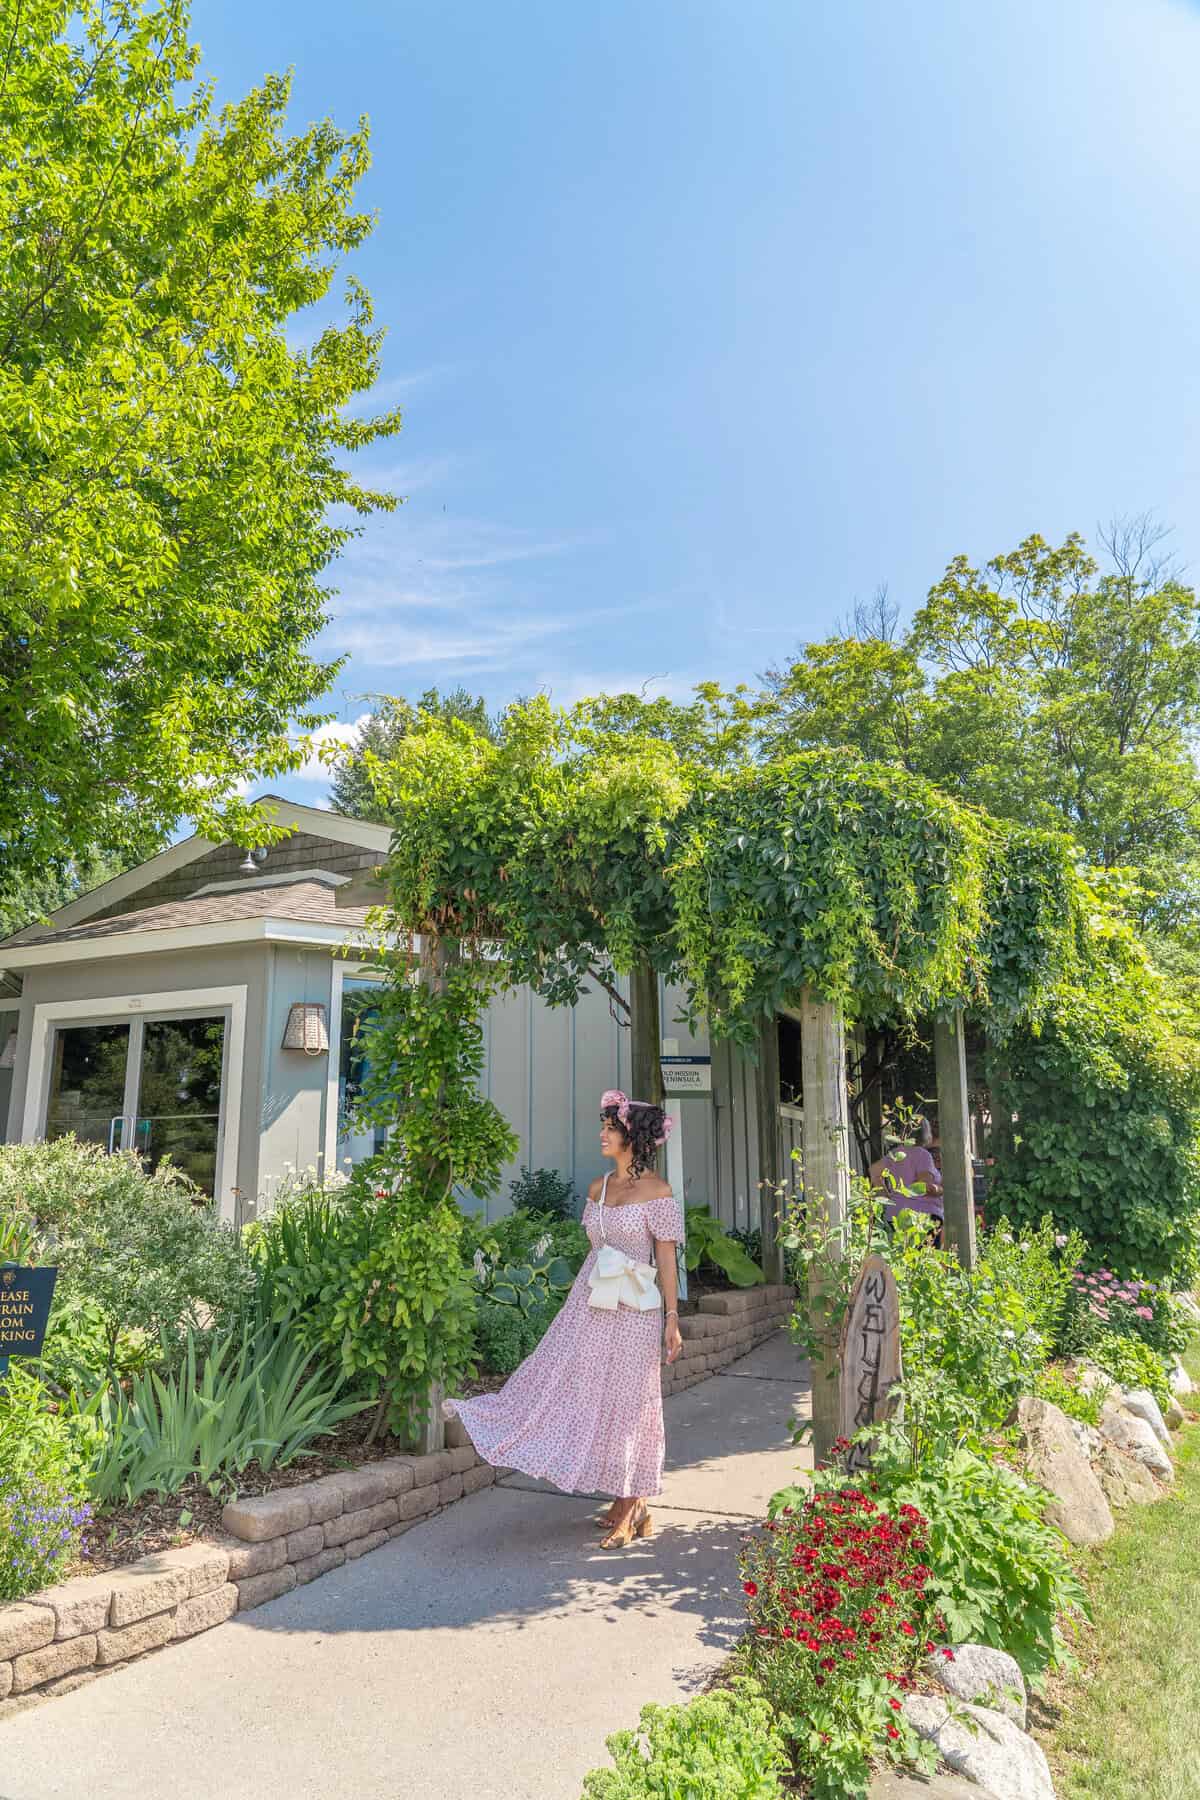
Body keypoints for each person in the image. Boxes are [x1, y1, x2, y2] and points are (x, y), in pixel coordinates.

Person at [443, 1088, 685, 1550]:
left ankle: (630, 1506)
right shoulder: (598, 1189)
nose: (602, 1134)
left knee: (631, 1403)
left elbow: (667, 1261)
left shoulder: (658, 1192)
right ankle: (631, 1505)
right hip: (591, 1306)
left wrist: (672, 1319)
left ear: (631, 1137)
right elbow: (595, 1253)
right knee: (575, 1389)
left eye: (610, 1129)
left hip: (636, 1309)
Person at [870, 1116, 944, 1245]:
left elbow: (874, 1170)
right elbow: (923, 1187)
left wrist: (887, 1199)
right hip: (921, 1220)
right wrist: (942, 1190)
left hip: (894, 1216)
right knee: (923, 1261)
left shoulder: (897, 1153)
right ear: (927, 1134)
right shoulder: (922, 1154)